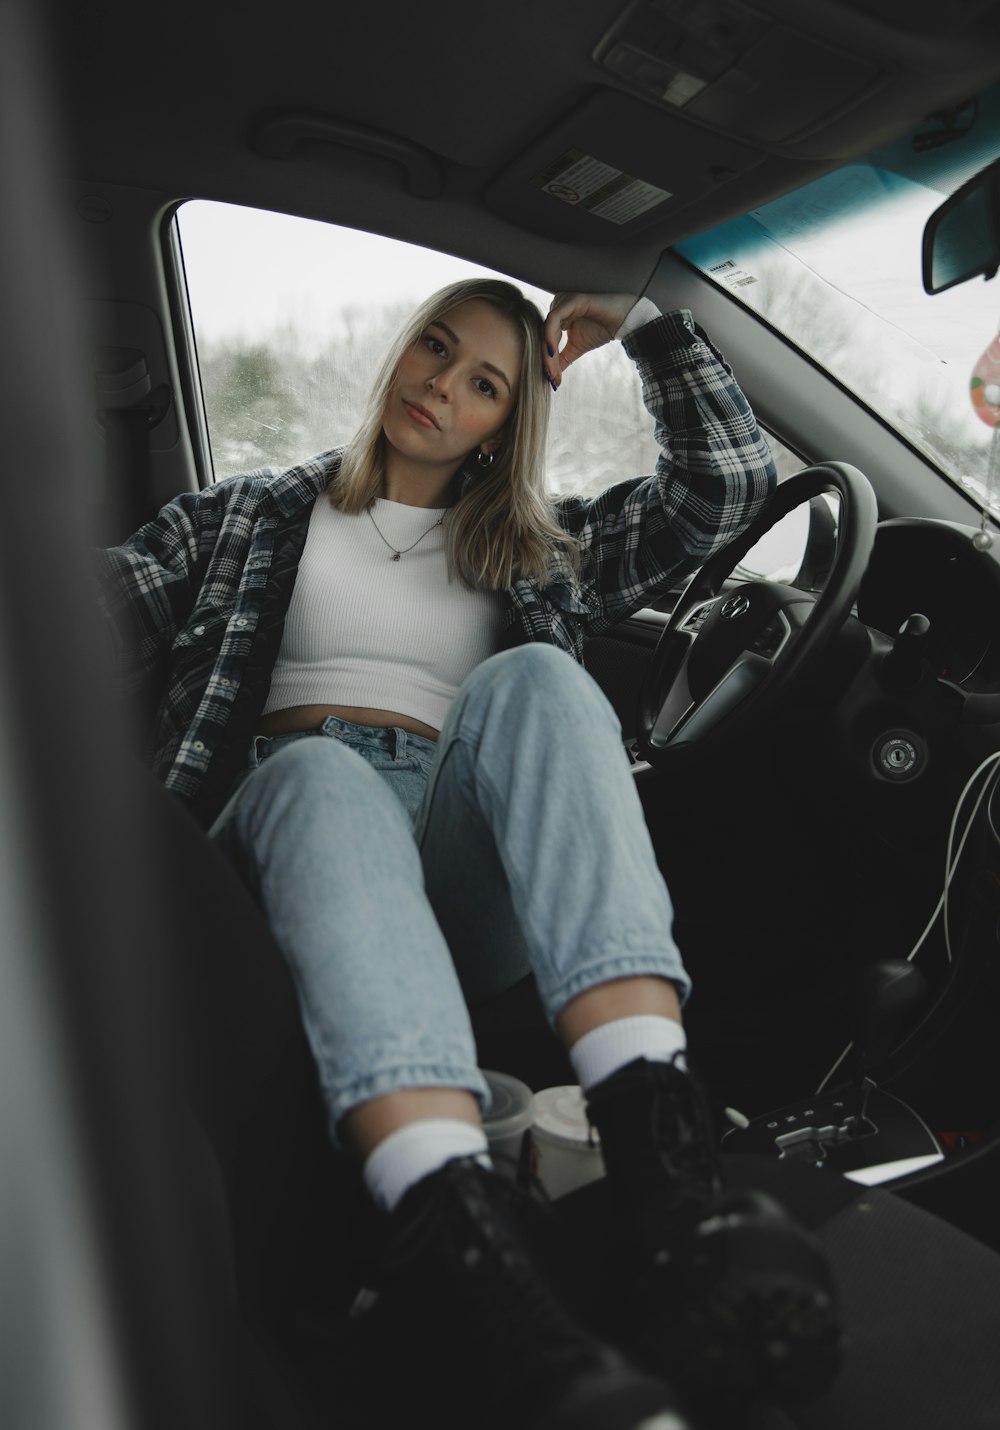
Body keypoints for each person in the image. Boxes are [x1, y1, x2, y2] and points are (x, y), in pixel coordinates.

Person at [98, 282, 841, 1429]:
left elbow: (730, 488)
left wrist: (644, 325)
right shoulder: (242, 511)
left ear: (507, 420)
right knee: (322, 772)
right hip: (276, 847)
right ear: (402, 347)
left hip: (450, 871)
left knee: (541, 677)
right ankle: (460, 1243)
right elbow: (79, 605)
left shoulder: (542, 549)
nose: (441, 386)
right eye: (435, 350)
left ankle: (666, 1174)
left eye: (484, 381)